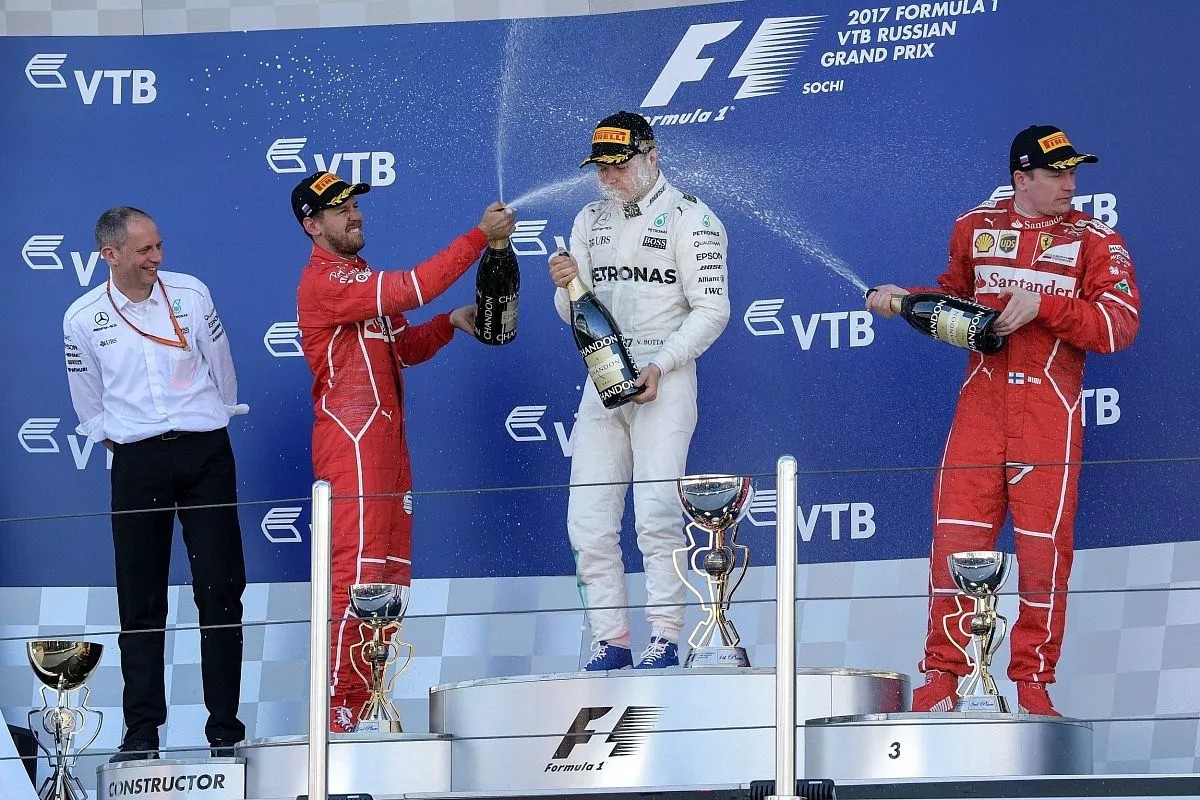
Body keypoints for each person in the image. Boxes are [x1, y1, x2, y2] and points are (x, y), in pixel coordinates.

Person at [865, 125, 1140, 716]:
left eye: (1073, 172)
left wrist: (1045, 306)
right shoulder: (974, 227)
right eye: (1057, 173)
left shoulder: (1097, 240)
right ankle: (943, 677)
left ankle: (1033, 685)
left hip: (1048, 415)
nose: (1070, 184)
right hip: (981, 412)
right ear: (1022, 178)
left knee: (1044, 555)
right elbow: (952, 303)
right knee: (955, 546)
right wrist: (904, 300)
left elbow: (1119, 326)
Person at [291, 171, 514, 732]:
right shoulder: (323, 282)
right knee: (357, 576)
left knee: (389, 580)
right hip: (351, 443)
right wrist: (478, 238)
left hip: (386, 445)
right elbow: (410, 288)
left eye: (354, 204)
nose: (355, 214)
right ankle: (338, 714)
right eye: (340, 210)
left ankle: (370, 701)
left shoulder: (359, 275)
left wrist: (449, 323)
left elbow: (404, 346)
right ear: (312, 226)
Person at [63, 207, 248, 761]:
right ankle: (142, 732)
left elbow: (222, 368)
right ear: (110, 255)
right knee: (140, 600)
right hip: (137, 461)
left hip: (205, 453)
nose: (157, 259)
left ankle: (225, 729)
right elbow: (88, 404)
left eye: (159, 246)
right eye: (144, 250)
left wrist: (206, 423)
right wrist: (127, 443)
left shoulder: (191, 293)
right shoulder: (81, 317)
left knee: (219, 589)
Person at [547, 111, 730, 671]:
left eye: (620, 164)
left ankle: (665, 638)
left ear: (652, 156)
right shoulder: (588, 219)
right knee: (587, 521)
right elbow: (572, 314)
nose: (609, 176)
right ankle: (611, 639)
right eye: (600, 167)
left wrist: (661, 363)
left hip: (664, 378)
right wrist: (566, 285)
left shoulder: (693, 218)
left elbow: (713, 310)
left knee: (656, 514)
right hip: (602, 379)